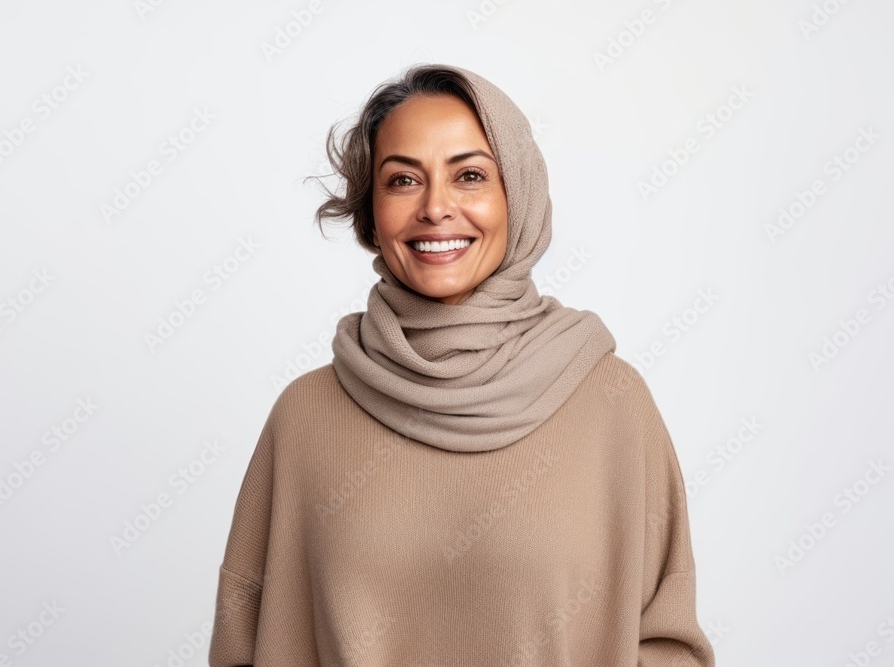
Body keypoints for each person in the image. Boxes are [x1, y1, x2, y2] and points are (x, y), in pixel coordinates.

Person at [208, 63, 715, 666]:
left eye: (469, 176)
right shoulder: (305, 417)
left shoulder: (610, 401)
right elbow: (244, 642)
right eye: (402, 181)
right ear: (372, 212)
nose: (436, 208)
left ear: (517, 194)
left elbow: (668, 642)